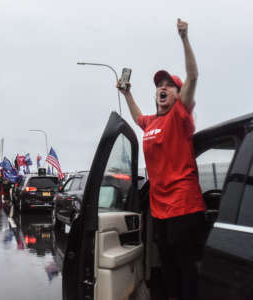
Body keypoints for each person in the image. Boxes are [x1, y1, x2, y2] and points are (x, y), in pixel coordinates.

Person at [117, 19, 206, 300]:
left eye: (169, 85)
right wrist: (127, 93)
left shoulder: (180, 117)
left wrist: (184, 38)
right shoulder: (152, 122)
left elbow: (193, 77)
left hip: (184, 206)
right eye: (159, 86)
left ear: (179, 95)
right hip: (160, 209)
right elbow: (136, 117)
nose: (162, 89)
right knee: (166, 270)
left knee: (186, 272)